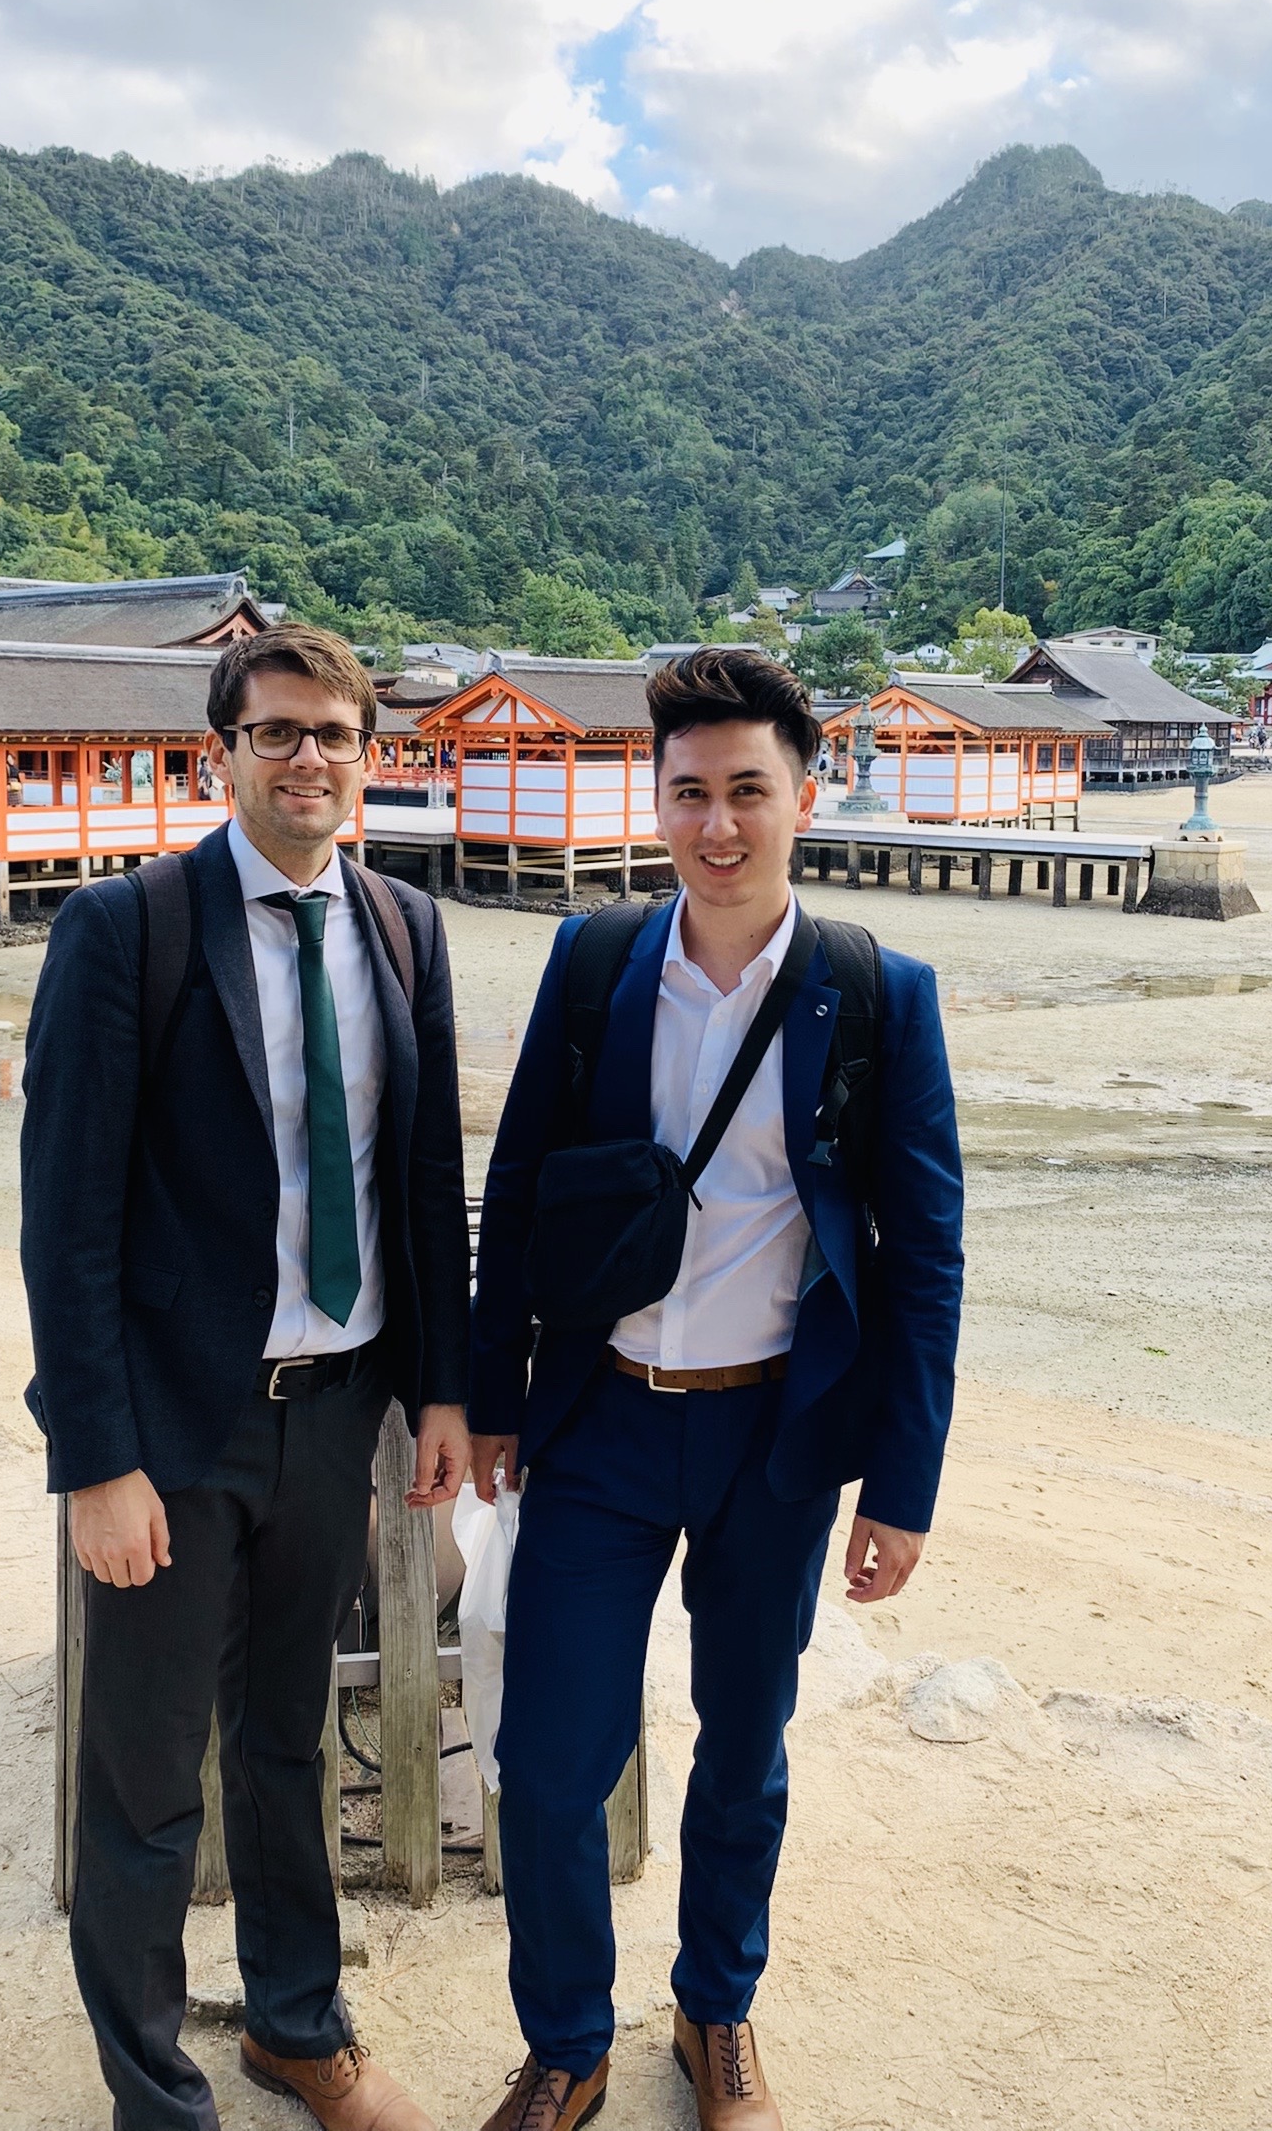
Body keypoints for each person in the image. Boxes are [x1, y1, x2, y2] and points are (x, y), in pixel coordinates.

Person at [468, 648, 964, 2131]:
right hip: (603, 1420)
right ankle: (566, 2040)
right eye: (689, 792)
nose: (718, 823)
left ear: (805, 794)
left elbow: (923, 1254)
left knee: (743, 1754)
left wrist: (902, 1486)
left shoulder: (876, 995)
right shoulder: (596, 965)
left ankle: (714, 2011)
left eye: (749, 789)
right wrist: (491, 1396)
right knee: (550, 1760)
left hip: (774, 1434)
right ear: (657, 799)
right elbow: (519, 1190)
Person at [20, 624, 472, 2131]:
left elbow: (421, 1183)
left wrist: (446, 1388)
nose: (306, 759)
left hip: (334, 1410)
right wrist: (96, 1458)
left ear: (367, 755)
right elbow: (65, 1217)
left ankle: (296, 2027)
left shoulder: (405, 928)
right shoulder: (130, 928)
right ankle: (156, 2097)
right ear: (224, 752)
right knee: (147, 1782)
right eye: (275, 732)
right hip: (174, 1428)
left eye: (333, 734)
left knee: (285, 1747)